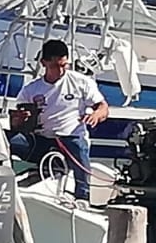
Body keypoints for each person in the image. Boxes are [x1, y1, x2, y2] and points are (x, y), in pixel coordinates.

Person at [7, 39, 108, 200]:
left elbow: (103, 106)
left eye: (64, 65)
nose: (60, 71)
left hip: (70, 137)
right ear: (43, 63)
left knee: (79, 145)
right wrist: (19, 120)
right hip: (41, 139)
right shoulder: (31, 90)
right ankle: (5, 184)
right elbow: (17, 123)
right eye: (55, 66)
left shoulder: (81, 82)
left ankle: (83, 196)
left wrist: (96, 114)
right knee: (6, 141)